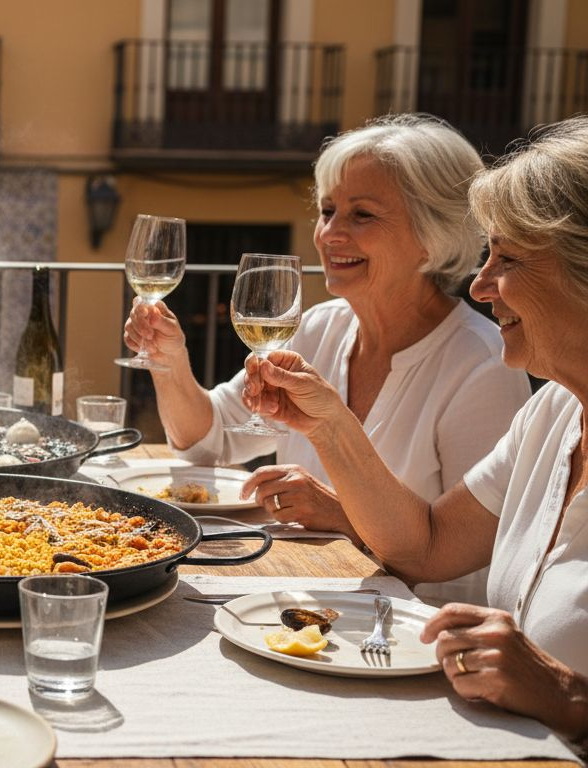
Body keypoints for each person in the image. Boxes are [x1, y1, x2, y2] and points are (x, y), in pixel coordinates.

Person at [241, 116, 588, 744]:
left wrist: (568, 695)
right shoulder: (553, 415)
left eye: (507, 260)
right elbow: (425, 545)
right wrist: (329, 425)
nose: (480, 287)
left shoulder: (483, 366)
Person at [123, 114, 531, 603]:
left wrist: (345, 515)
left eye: (362, 215)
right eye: (327, 211)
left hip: (395, 643)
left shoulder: (483, 368)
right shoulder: (320, 325)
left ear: (433, 235)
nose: (330, 234)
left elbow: (470, 578)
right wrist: (170, 363)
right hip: (298, 594)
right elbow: (207, 441)